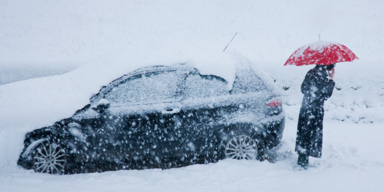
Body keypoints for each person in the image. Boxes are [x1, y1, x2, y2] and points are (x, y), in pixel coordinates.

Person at [295, 63, 336, 169]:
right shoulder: (324, 76)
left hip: (305, 108)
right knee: (312, 135)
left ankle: (302, 158)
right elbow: (326, 93)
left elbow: (303, 89)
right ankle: (304, 161)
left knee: (303, 134)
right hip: (316, 110)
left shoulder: (310, 72)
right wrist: (331, 79)